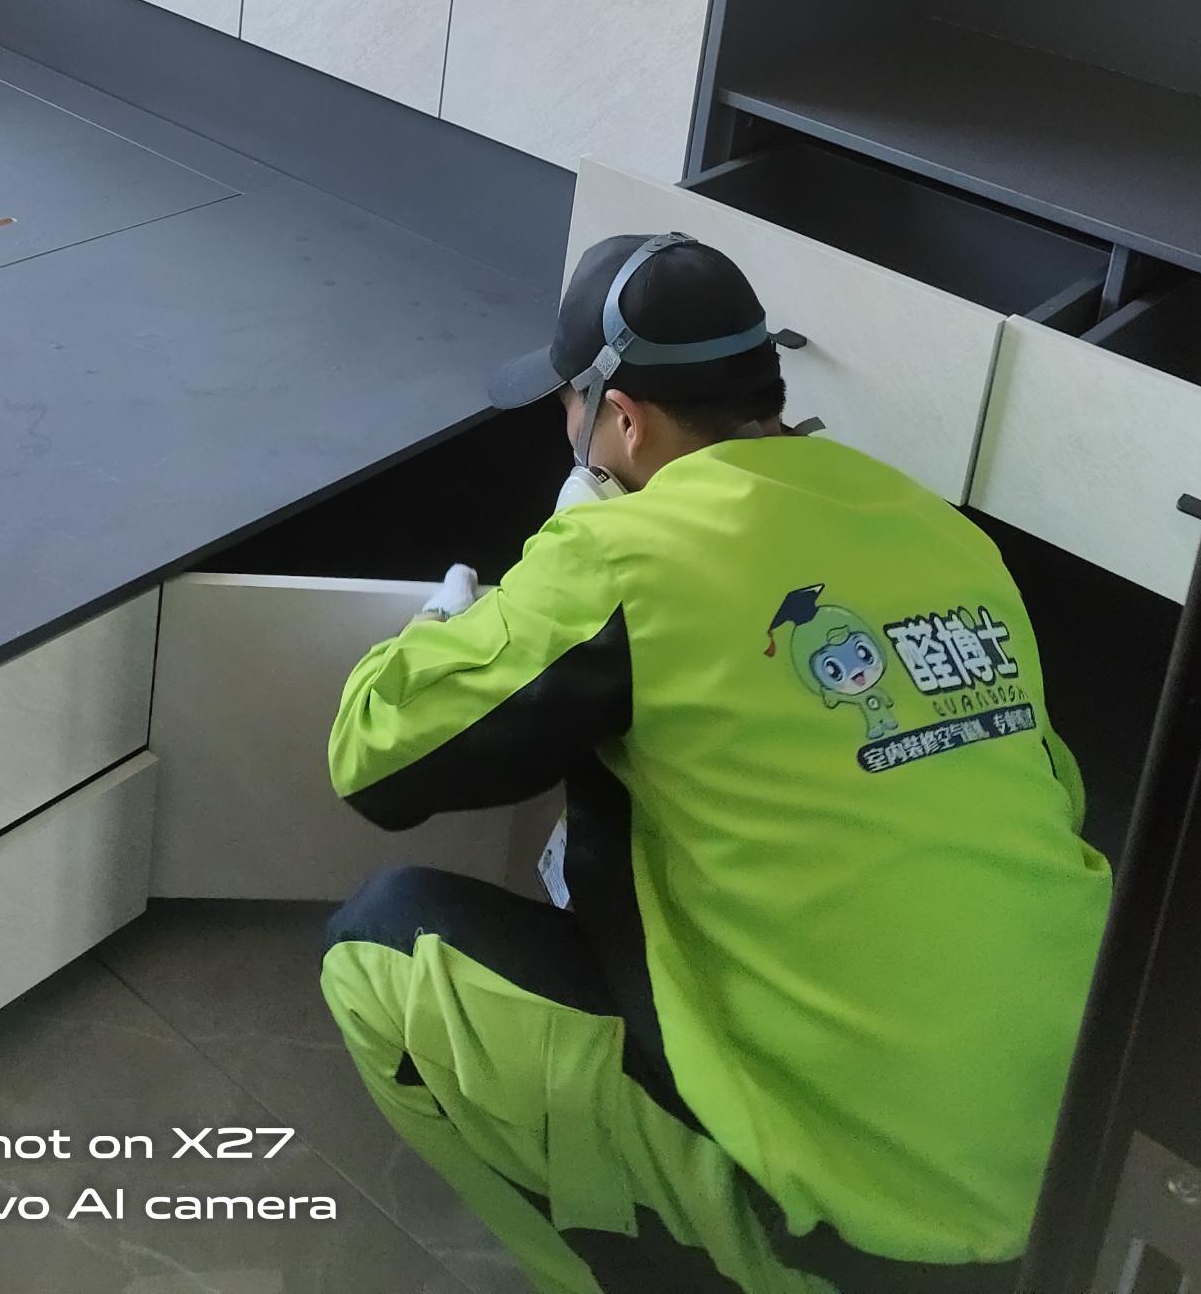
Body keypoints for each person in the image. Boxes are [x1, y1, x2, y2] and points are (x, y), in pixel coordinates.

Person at [320, 229, 1112, 1294]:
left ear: (622, 418)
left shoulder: (620, 551)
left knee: (379, 946)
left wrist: (449, 625)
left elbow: (373, 757)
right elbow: (1057, 794)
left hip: (856, 1226)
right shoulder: (939, 530)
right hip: (1076, 1167)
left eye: (569, 406)